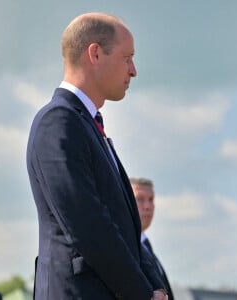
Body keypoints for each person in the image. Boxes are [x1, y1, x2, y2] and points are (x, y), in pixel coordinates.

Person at [27, 12, 167, 300]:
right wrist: (142, 293)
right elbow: (89, 225)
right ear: (95, 53)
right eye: (127, 57)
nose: (134, 70)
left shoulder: (85, 124)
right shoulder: (59, 122)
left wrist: (156, 286)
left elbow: (126, 228)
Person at [130, 178, 174, 300]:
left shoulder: (147, 248)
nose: (148, 206)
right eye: (140, 199)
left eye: (151, 200)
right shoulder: (127, 249)